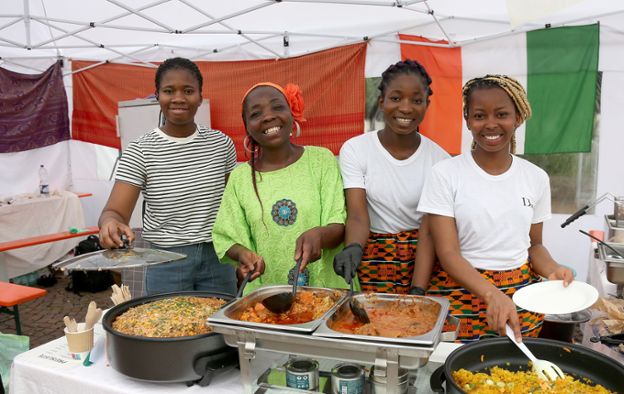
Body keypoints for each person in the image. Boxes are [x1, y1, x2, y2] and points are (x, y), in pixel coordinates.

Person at [417, 75, 573, 342]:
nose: (491, 124)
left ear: (518, 118)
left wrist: (553, 269)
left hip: (521, 296)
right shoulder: (445, 174)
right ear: (467, 119)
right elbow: (448, 253)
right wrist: (491, 294)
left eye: (502, 114)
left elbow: (534, 246)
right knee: (459, 374)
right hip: (461, 293)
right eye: (479, 115)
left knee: (515, 377)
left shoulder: (535, 177)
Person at [98, 57, 237, 295]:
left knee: (220, 328)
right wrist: (110, 224)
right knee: (168, 330)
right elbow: (115, 212)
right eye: (169, 91)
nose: (179, 98)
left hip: (219, 258)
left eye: (188, 91)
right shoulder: (140, 150)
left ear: (200, 97)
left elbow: (233, 205)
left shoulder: (221, 144)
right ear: (158, 96)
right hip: (166, 262)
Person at [212, 82, 348, 294]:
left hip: (325, 292)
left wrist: (319, 235)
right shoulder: (240, 178)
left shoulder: (321, 160)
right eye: (256, 114)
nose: (268, 117)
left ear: (292, 113)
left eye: (277, 107)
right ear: (247, 126)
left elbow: (338, 225)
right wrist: (243, 254)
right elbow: (225, 236)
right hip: (266, 297)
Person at [333, 60, 449, 293]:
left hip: (424, 258)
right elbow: (357, 213)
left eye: (416, 100)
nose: (406, 108)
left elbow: (431, 229)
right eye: (396, 98)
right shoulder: (355, 149)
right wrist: (353, 246)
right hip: (372, 254)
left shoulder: (441, 161)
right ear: (381, 102)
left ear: (427, 104)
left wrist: (419, 288)